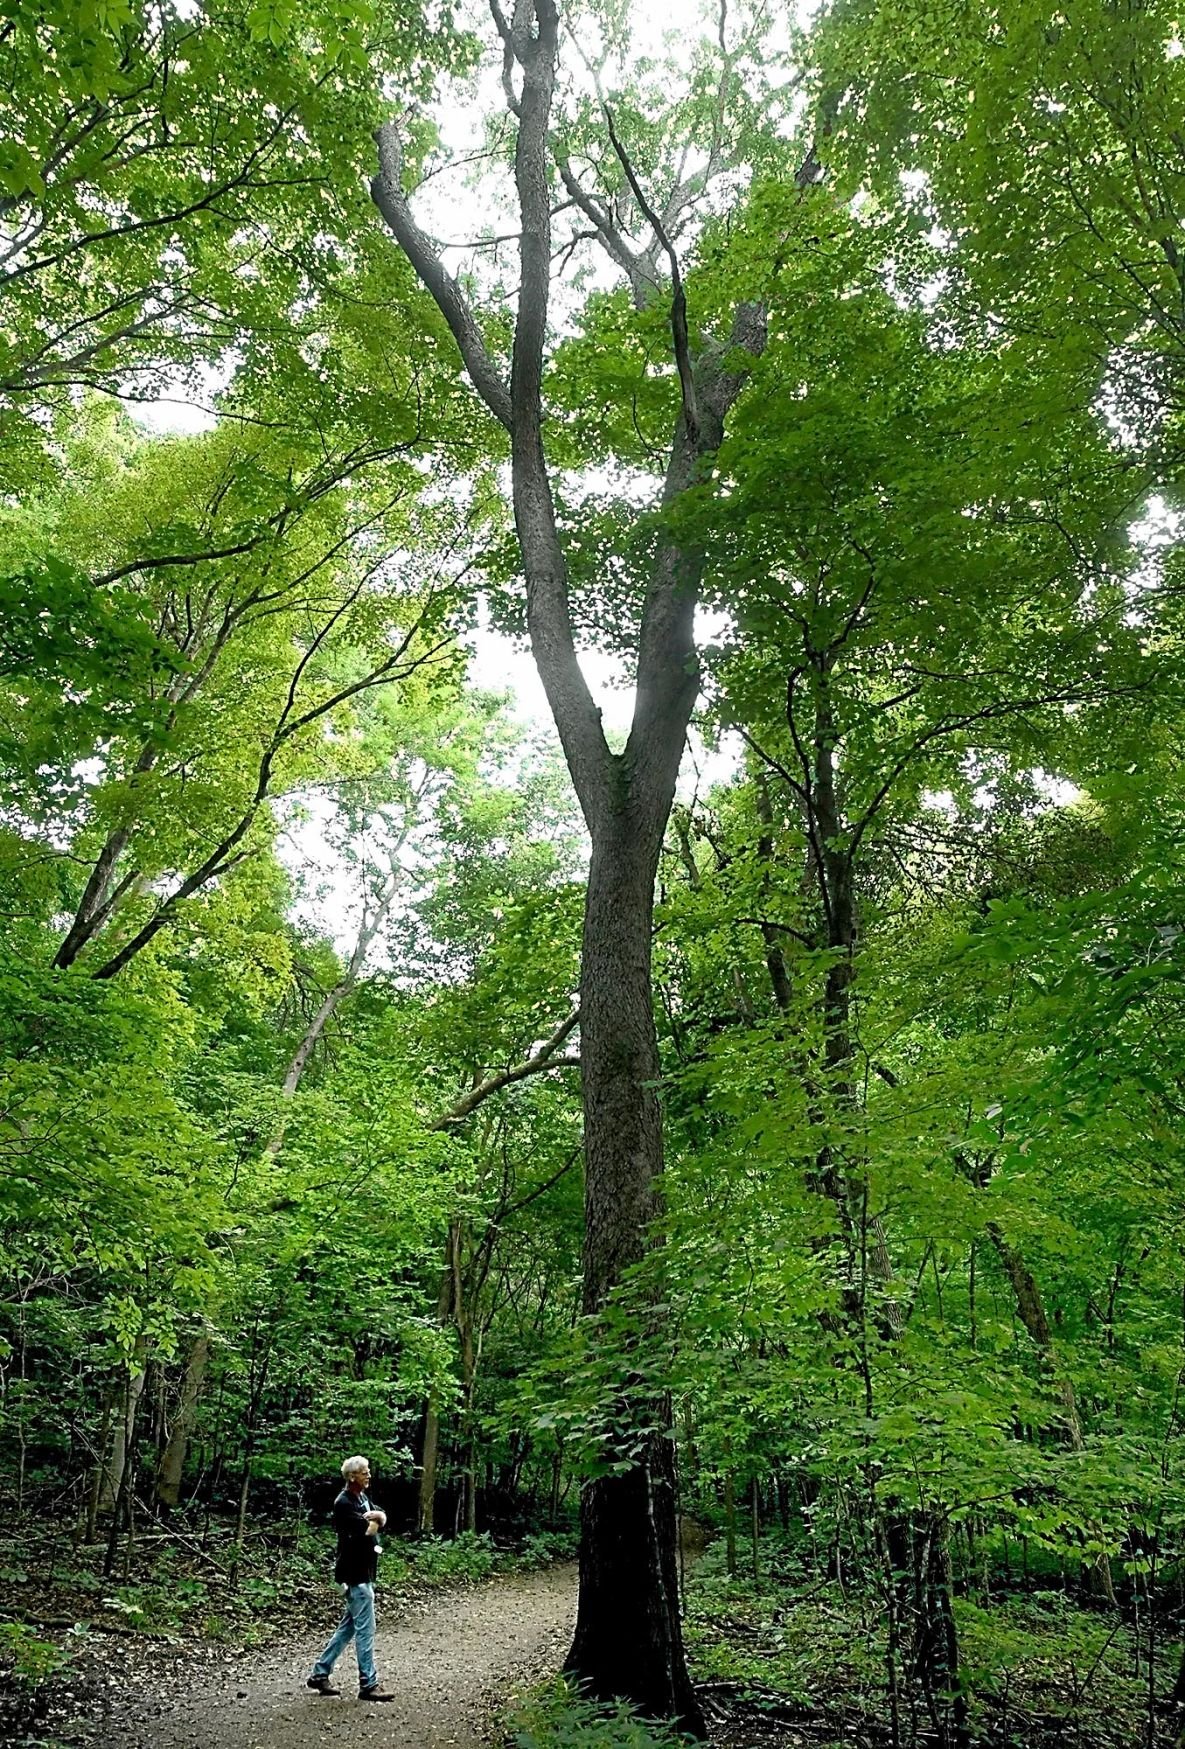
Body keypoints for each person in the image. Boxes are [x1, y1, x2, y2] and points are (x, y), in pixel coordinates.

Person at [306, 1455, 394, 1701]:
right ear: (353, 1476)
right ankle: (368, 1684)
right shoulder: (344, 1502)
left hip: (364, 1571)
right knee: (366, 1629)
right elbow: (368, 1530)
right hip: (353, 1574)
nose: (369, 1475)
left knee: (348, 1628)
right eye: (365, 1472)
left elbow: (381, 1517)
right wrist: (376, 1521)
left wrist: (378, 1518)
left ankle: (319, 1673)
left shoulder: (362, 1498)